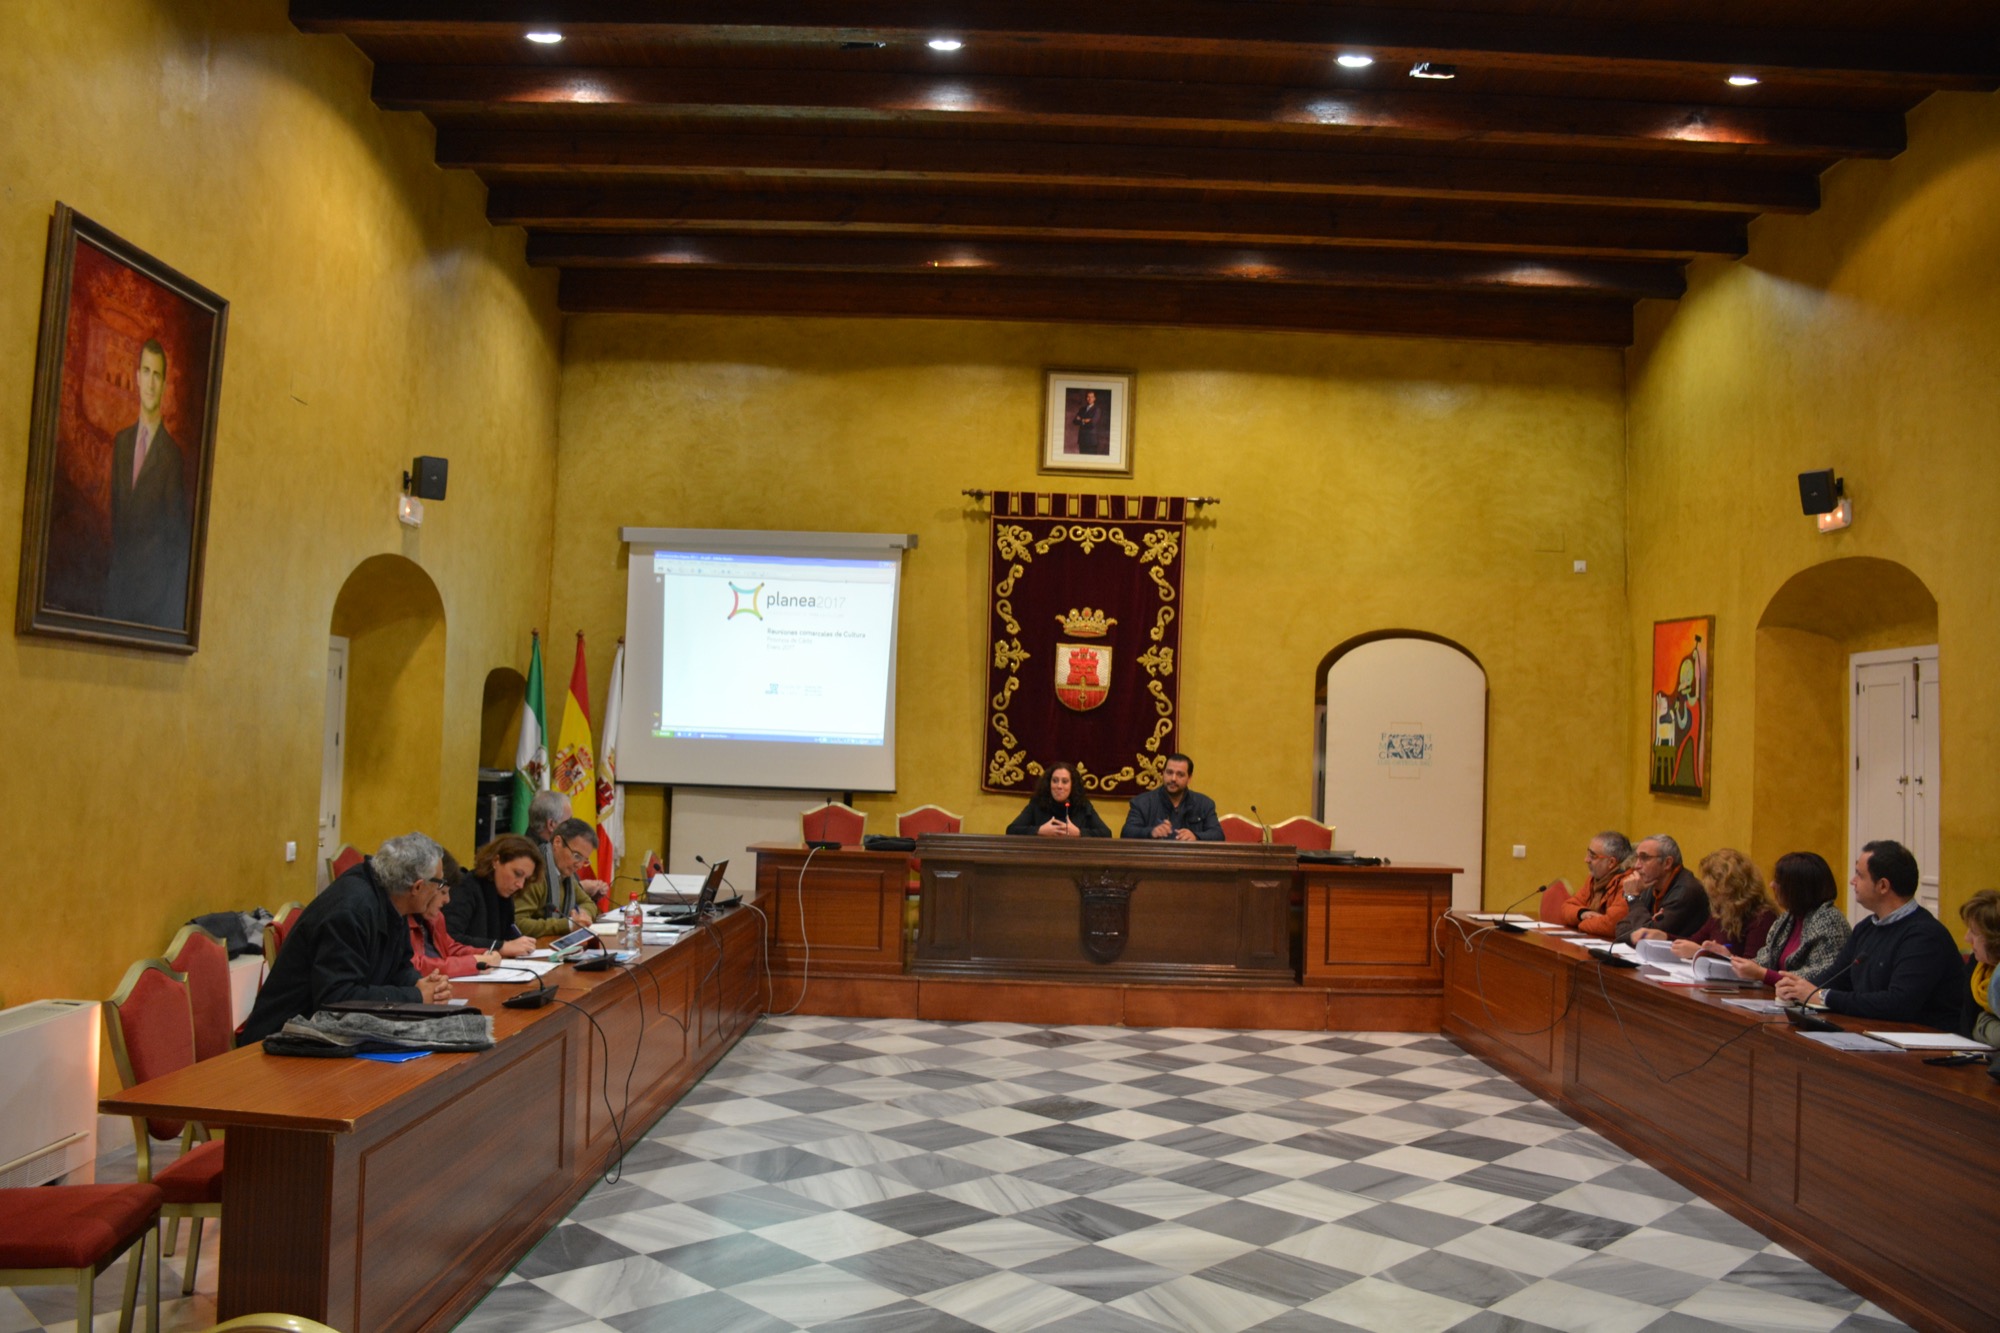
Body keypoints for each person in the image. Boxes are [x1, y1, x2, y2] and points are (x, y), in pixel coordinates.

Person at [238, 832, 453, 1043]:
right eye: (440, 883)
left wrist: (421, 984)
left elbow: (397, 967)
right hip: (284, 1037)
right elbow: (337, 998)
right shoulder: (350, 911)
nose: (441, 892)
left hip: (331, 1033)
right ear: (417, 886)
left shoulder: (392, 898)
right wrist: (415, 996)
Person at [1775, 840, 1962, 1029]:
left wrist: (1823, 996)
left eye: (1860, 875)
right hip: (1872, 1030)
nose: (1852, 881)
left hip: (1922, 1037)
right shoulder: (1866, 928)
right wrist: (1796, 989)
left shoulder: (1925, 936)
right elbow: (1835, 978)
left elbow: (1898, 1003)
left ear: (1883, 886)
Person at [104, 338, 191, 627]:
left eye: (157, 375)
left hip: (152, 605)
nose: (151, 383)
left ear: (164, 384)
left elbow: (176, 540)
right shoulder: (122, 443)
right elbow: (118, 519)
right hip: (116, 597)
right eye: (146, 372)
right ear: (137, 377)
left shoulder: (172, 456)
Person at [1729, 851, 1853, 986]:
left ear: (1797, 888)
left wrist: (1762, 974)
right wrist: (1732, 961)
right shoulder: (1788, 918)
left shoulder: (1829, 920)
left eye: (1778, 881)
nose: (1771, 885)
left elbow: (1820, 976)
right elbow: (1765, 959)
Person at [1633, 847, 1775, 959]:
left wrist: (1702, 952)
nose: (1713, 896)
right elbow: (1694, 941)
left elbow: (1753, 968)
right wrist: (1663, 937)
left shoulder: (1762, 917)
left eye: (1717, 891)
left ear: (1734, 887)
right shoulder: (1721, 912)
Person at [444, 834, 541, 956]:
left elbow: (508, 937)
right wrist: (500, 947)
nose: (520, 885)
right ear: (496, 861)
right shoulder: (465, 888)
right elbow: (450, 939)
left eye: (526, 879)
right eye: (517, 874)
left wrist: (521, 943)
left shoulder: (504, 896)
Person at [1613, 834, 1709, 943]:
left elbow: (1647, 937)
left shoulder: (1686, 891)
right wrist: (1645, 926)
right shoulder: (1651, 883)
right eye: (1637, 858)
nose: (1636, 865)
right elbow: (1620, 928)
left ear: (1667, 863)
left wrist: (1632, 898)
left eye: (1644, 858)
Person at [515, 818, 600, 937]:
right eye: (577, 856)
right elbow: (518, 923)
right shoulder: (535, 872)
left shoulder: (565, 874)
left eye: (584, 860)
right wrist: (568, 924)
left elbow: (588, 903)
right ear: (557, 842)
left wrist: (582, 916)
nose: (579, 865)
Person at [527, 790, 609, 912]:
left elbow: (584, 902)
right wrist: (583, 888)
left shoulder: (560, 854)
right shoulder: (534, 859)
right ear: (551, 824)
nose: (572, 826)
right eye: (568, 821)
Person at [1546, 831, 1634, 940]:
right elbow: (1566, 908)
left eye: (1593, 856)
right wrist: (1582, 914)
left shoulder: (1628, 883)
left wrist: (1581, 923)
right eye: (1588, 854)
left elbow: (1611, 926)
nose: (1586, 860)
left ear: (1611, 862)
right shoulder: (1593, 880)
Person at [1120, 753, 1222, 841]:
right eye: (1169, 773)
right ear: (1163, 773)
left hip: (1190, 857)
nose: (1173, 779)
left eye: (1180, 775)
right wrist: (1151, 832)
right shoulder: (1142, 802)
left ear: (1189, 778)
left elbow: (1218, 835)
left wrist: (1196, 836)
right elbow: (1127, 832)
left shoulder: (1204, 804)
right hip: (1154, 856)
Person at [1006, 761, 1112, 837]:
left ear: (1072, 785)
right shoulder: (1037, 803)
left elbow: (1106, 833)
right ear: (1049, 783)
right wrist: (1039, 830)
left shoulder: (1083, 805)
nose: (1059, 786)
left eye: (1065, 782)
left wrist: (1079, 833)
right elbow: (1011, 830)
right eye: (1055, 781)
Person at [1957, 889, 2000, 1046]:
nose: (1967, 938)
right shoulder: (1978, 967)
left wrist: (1983, 1024)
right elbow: (1967, 1027)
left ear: (1994, 938)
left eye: (1974, 932)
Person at [1072, 390, 1106, 455]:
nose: (1089, 398)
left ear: (1094, 398)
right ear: (1086, 398)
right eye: (1088, 397)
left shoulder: (1097, 410)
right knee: (1082, 459)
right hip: (1082, 439)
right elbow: (1075, 421)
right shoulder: (1082, 409)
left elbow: (1092, 423)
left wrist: (1081, 420)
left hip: (1091, 440)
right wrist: (1084, 420)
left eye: (1091, 397)